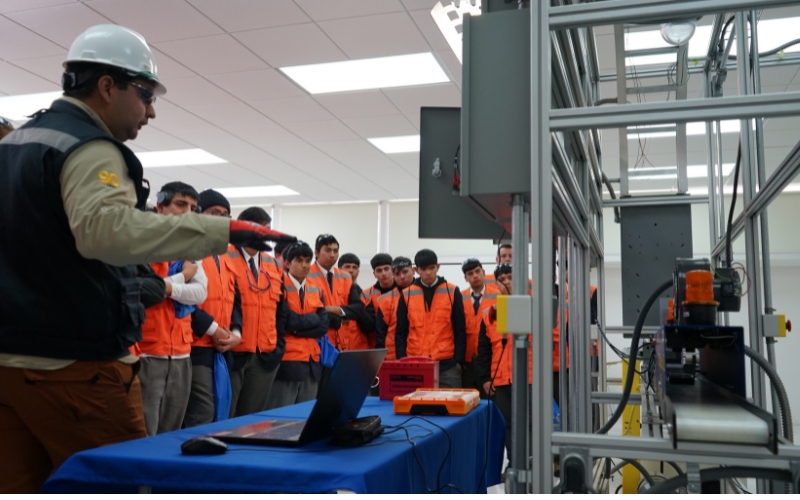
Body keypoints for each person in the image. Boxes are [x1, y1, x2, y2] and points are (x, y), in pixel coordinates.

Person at [0, 24, 293, 493]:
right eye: (145, 94)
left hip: (10, 367)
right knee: (123, 487)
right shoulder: (88, 147)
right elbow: (106, 232)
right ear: (107, 86)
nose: (151, 111)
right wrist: (221, 231)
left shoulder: (15, 145)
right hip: (73, 367)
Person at [135, 181, 210, 436]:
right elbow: (140, 292)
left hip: (181, 353)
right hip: (147, 352)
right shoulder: (140, 242)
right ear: (160, 206)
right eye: (180, 204)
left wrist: (164, 288)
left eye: (192, 207)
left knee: (170, 433)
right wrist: (180, 279)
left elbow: (200, 293)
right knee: (144, 432)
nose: (187, 212)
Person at [183, 189, 242, 428]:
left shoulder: (226, 254)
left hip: (221, 347)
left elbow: (235, 300)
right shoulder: (188, 249)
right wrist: (213, 329)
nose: (220, 218)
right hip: (195, 343)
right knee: (203, 411)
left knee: (220, 409)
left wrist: (236, 334)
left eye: (225, 215)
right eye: (214, 213)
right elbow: (184, 299)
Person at [227, 207, 286, 417]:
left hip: (265, 355)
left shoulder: (273, 265)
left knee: (251, 421)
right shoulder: (225, 257)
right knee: (226, 418)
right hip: (234, 353)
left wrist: (278, 347)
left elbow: (281, 311)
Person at [476, 264, 532, 457]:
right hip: (500, 380)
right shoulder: (489, 314)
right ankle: (514, 464)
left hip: (529, 378)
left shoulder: (534, 308)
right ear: (496, 284)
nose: (507, 282)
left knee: (531, 423)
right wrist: (485, 378)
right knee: (506, 424)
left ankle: (532, 465)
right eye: (502, 279)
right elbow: (484, 350)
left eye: (510, 277)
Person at [266, 242, 329, 408]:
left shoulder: (316, 289)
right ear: (287, 263)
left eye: (308, 261)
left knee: (305, 418)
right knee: (281, 418)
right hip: (287, 361)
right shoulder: (279, 286)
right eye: (299, 260)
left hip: (312, 361)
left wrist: (296, 330)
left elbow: (323, 325)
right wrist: (311, 320)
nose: (305, 265)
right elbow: (286, 321)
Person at [395, 249, 467, 388]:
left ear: (438, 267)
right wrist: (402, 360)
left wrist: (458, 361)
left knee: (450, 407)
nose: (428, 273)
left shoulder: (452, 291)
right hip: (414, 363)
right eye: (423, 269)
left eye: (431, 268)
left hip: (447, 365)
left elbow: (460, 329)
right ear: (416, 270)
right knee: (416, 408)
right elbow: (400, 332)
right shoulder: (407, 294)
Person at [307, 235, 365, 352]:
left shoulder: (345, 277)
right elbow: (310, 312)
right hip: (319, 344)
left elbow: (358, 309)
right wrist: (342, 317)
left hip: (342, 345)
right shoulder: (306, 274)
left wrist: (329, 309)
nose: (332, 255)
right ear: (316, 253)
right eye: (328, 250)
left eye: (335, 251)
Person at [460, 258, 497, 396]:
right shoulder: (459, 296)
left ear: (483, 272)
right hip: (466, 361)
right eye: (470, 273)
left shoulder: (498, 296)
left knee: (489, 400)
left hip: (489, 359)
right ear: (465, 278)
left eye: (477, 271)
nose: (475, 275)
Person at [375, 256, 415, 361]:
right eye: (397, 274)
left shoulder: (426, 294)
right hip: (392, 358)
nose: (402, 277)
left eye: (405, 272)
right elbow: (380, 334)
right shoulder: (385, 300)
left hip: (419, 355)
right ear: (393, 275)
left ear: (413, 271)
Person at [337, 253, 376, 349]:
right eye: (347, 267)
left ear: (358, 271)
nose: (351, 270)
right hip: (335, 349)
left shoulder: (365, 297)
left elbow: (370, 327)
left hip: (359, 350)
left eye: (354, 267)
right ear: (338, 270)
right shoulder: (331, 293)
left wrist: (357, 307)